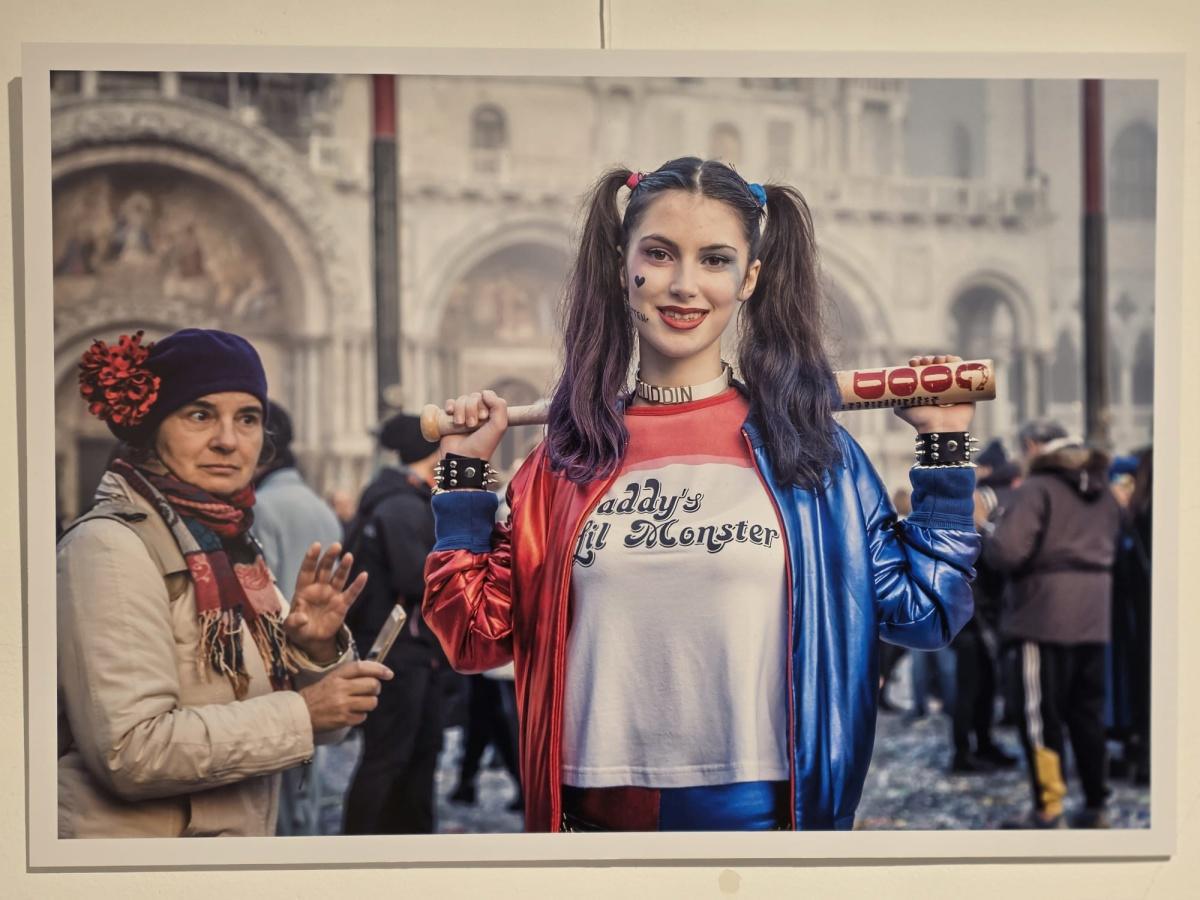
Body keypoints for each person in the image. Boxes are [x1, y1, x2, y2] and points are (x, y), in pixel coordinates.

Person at [422, 157, 980, 833]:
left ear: (749, 277)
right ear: (621, 266)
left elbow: (926, 610)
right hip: (594, 839)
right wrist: (461, 481)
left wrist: (944, 452)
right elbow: (473, 639)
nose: (684, 285)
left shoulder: (816, 459)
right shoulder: (560, 466)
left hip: (764, 836)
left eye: (715, 259)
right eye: (659, 254)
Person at [57, 328, 392, 838]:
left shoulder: (232, 546)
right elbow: (130, 751)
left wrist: (313, 650)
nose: (228, 440)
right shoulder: (110, 547)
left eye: (248, 418)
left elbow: (330, 727)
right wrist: (301, 712)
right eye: (199, 414)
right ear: (152, 429)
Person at [985, 419, 1120, 829]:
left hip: (1042, 616)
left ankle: (1048, 806)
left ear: (1032, 446)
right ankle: (1096, 803)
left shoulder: (1037, 489)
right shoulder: (1105, 493)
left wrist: (987, 530)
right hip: (1095, 615)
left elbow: (1006, 553)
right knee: (1088, 713)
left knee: (1040, 717)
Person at [341, 413, 453, 834]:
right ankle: (361, 851)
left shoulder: (401, 500)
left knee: (416, 756)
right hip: (398, 655)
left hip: (409, 653)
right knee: (388, 758)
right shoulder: (403, 506)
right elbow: (417, 578)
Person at [251, 400, 348, 835]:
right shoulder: (320, 506)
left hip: (276, 666)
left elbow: (258, 593)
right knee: (307, 781)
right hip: (317, 659)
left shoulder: (261, 508)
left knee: (277, 793)